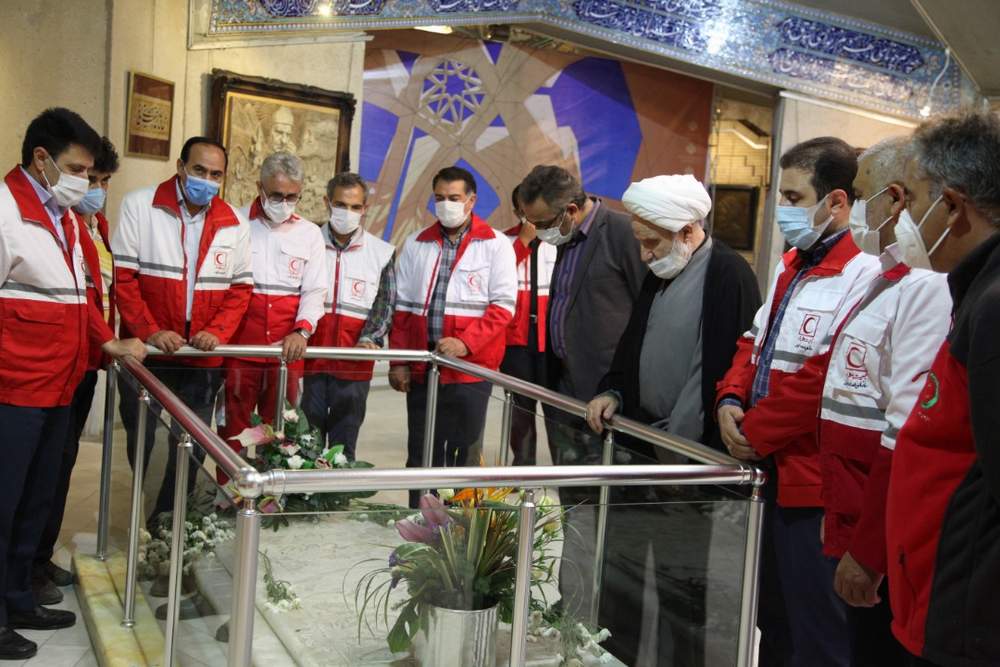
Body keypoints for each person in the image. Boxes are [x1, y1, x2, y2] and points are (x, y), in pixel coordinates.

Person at [715, 137, 880, 666]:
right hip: (770, 470)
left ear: (836, 201)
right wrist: (730, 397)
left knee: (819, 631)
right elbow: (755, 340)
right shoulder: (792, 264)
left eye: (793, 197)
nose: (782, 209)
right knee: (773, 619)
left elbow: (826, 374)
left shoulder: (865, 273)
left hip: (814, 481)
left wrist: (756, 430)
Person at [585, 174, 761, 665]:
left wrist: (679, 453)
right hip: (640, 450)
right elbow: (635, 344)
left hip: (688, 465)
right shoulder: (664, 267)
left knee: (680, 590)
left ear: (687, 231)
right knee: (623, 575)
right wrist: (614, 390)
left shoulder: (727, 274)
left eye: (651, 242)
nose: (644, 254)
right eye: (640, 242)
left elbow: (720, 369)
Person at [0, 108, 145, 660]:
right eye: (77, 169)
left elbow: (78, 298)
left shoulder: (61, 217)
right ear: (41, 159)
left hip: (58, 385)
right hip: (13, 389)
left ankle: (19, 597)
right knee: (3, 506)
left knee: (35, 502)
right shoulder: (7, 212)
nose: (84, 182)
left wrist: (107, 343)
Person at [819, 137, 951, 664]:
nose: (853, 208)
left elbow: (906, 429)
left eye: (859, 195)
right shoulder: (885, 273)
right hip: (850, 508)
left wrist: (870, 549)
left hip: (886, 533)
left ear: (895, 199)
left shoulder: (929, 285)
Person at [885, 110, 1000, 667]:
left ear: (953, 206)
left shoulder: (995, 304)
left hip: (969, 610)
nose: (902, 216)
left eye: (911, 198)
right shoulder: (979, 289)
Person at [517, 165, 645, 616]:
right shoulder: (567, 240)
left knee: (606, 510)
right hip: (567, 396)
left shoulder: (622, 234)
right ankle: (573, 599)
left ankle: (607, 610)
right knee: (574, 504)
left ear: (571, 210)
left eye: (543, 223)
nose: (538, 233)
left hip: (607, 403)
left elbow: (645, 312)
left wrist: (620, 387)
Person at [113, 136, 252, 524]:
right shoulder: (141, 206)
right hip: (149, 355)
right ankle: (143, 514)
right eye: (199, 170)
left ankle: (168, 524)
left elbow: (240, 289)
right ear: (180, 167)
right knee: (143, 438)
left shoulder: (234, 222)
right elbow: (124, 279)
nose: (206, 180)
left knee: (191, 444)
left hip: (201, 359)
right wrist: (151, 331)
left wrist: (217, 331)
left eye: (215, 174)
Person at [389, 166, 517, 508]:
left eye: (454, 198)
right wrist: (399, 361)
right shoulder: (416, 243)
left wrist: (466, 343)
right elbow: (402, 310)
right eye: (440, 198)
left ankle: (461, 527)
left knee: (465, 454)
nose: (446, 204)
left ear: (471, 201)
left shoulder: (496, 245)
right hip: (423, 369)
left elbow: (503, 307)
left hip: (470, 371)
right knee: (422, 453)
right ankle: (419, 522)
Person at [31, 137, 121, 607]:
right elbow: (81, 296)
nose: (95, 188)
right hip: (65, 357)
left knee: (62, 465)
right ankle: (26, 566)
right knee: (42, 469)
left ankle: (39, 554)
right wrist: (107, 340)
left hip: (87, 362)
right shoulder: (62, 224)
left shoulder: (96, 224)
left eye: (103, 180)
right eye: (89, 176)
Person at [220, 152, 325, 465]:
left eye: (292, 197)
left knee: (281, 434)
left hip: (285, 352)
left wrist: (302, 331)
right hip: (239, 349)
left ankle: (271, 493)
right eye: (277, 195)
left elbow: (315, 290)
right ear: (259, 187)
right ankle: (231, 492)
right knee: (233, 432)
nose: (284, 203)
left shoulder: (310, 233)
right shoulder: (233, 222)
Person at [302, 173, 396, 460]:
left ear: (365, 208)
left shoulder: (380, 252)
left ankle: (338, 488)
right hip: (310, 359)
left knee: (343, 449)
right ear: (327, 202)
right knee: (305, 443)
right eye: (341, 205)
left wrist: (370, 338)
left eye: (355, 207)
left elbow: (385, 303)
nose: (348, 212)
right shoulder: (307, 241)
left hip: (354, 363)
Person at [499, 184, 557, 465]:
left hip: (551, 340)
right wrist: (522, 242)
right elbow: (497, 276)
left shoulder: (560, 241)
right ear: (517, 211)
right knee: (520, 411)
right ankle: (522, 469)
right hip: (516, 341)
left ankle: (563, 469)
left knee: (557, 410)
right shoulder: (502, 242)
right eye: (524, 210)